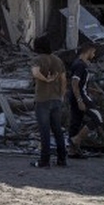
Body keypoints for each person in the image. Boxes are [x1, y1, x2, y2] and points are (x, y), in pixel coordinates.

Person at [30, 36, 67, 168]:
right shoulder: (58, 60)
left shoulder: (37, 59)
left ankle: (44, 160)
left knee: (44, 131)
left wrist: (45, 80)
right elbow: (64, 80)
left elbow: (35, 73)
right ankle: (62, 159)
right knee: (57, 130)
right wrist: (61, 96)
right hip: (56, 99)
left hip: (42, 99)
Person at [67, 42, 103, 158]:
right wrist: (79, 100)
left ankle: (73, 151)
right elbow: (74, 83)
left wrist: (92, 90)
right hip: (81, 97)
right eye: (93, 52)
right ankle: (76, 139)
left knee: (75, 123)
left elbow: (81, 84)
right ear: (88, 50)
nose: (94, 54)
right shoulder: (80, 65)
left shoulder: (77, 63)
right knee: (97, 118)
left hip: (76, 96)